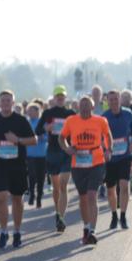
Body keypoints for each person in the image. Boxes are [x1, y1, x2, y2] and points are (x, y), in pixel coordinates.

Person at [0, 90, 36, 248]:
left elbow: (34, 140)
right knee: (1, 197)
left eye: (8, 100)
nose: (5, 103)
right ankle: (3, 231)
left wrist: (17, 139)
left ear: (13, 102)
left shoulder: (21, 120)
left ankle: (17, 231)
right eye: (3, 100)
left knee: (17, 199)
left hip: (18, 165)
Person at [59, 96, 112, 245]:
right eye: (82, 106)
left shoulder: (100, 121)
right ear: (78, 107)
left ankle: (92, 230)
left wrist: (109, 150)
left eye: (87, 106)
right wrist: (67, 148)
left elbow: (108, 135)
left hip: (96, 161)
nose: (84, 108)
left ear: (92, 107)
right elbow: (61, 137)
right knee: (83, 197)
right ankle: (86, 226)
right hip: (78, 163)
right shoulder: (71, 121)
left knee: (91, 195)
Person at [36, 85, 77, 232]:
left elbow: (77, 130)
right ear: (54, 98)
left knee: (63, 185)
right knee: (56, 187)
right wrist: (45, 128)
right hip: (52, 152)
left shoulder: (71, 113)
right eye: (58, 96)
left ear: (65, 98)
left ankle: (61, 217)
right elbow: (37, 130)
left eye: (62, 96)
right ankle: (57, 211)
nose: (60, 98)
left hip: (66, 152)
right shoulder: (48, 113)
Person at [102, 90, 132, 230]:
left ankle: (123, 216)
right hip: (110, 158)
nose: (113, 102)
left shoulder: (128, 113)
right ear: (107, 101)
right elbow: (100, 136)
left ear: (120, 99)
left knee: (124, 186)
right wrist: (105, 150)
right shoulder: (104, 117)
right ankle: (114, 216)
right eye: (110, 99)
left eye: (115, 99)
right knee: (111, 190)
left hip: (124, 155)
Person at [25, 101, 48, 208]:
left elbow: (49, 137)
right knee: (31, 175)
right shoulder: (26, 122)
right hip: (30, 154)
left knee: (40, 177)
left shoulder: (43, 123)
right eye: (28, 111)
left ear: (38, 112)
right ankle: (31, 194)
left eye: (32, 111)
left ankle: (39, 197)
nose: (29, 113)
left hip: (41, 154)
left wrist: (43, 138)